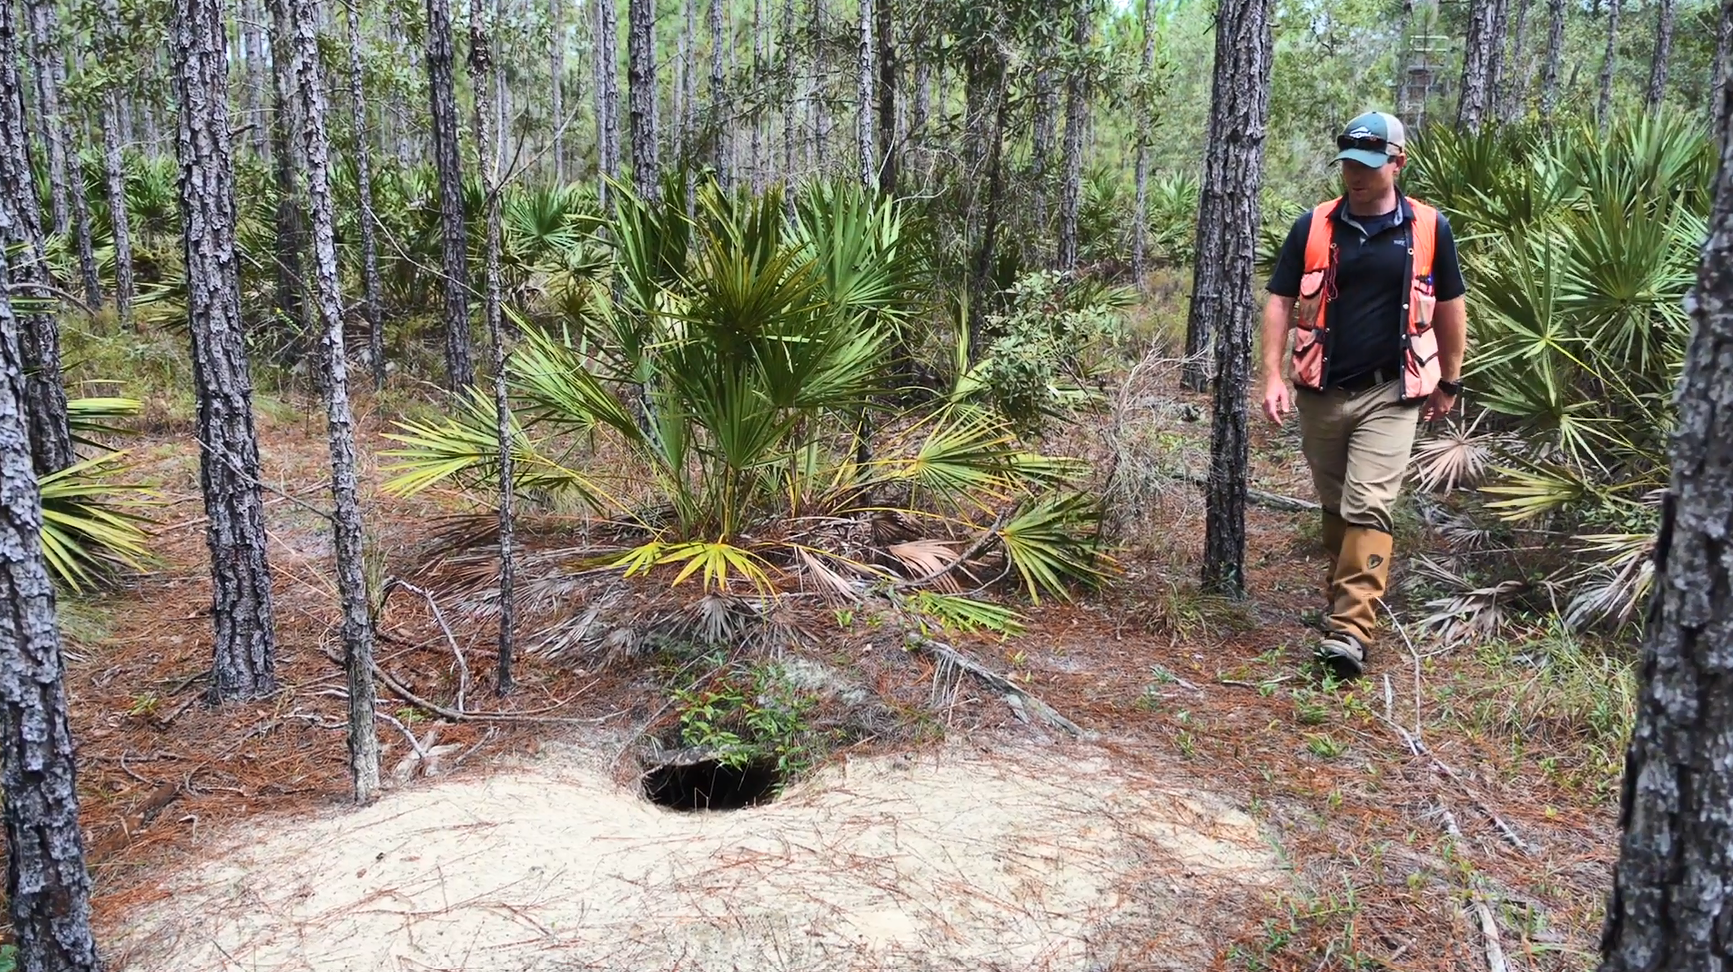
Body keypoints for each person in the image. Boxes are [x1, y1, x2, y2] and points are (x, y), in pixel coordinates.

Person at [1260, 111, 1468, 678]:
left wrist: (1449, 378)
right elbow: (1280, 299)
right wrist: (1273, 375)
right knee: (1335, 506)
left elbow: (1450, 307)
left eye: (1369, 165)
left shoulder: (1428, 228)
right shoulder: (1314, 226)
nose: (1355, 174)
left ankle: (1351, 630)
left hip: (1392, 391)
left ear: (1397, 164)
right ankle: (1342, 599)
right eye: (1349, 163)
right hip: (1322, 389)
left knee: (1369, 502)